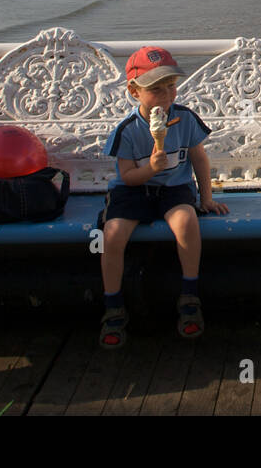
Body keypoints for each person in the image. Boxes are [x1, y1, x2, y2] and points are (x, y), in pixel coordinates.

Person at [98, 46, 228, 348]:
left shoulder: (184, 119)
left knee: (187, 223)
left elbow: (199, 160)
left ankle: (189, 296)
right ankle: (113, 305)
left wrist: (206, 197)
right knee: (112, 235)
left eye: (171, 86)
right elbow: (127, 175)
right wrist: (150, 170)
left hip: (174, 187)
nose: (167, 96)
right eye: (156, 90)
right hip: (133, 190)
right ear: (134, 91)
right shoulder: (127, 131)